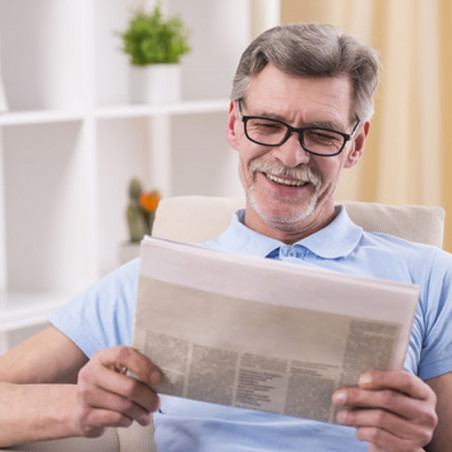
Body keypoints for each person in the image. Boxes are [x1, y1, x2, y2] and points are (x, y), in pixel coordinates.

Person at [0, 22, 450, 452]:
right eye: (268, 125)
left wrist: (413, 441)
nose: (291, 155)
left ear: (355, 144)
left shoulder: (429, 275)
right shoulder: (151, 280)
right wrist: (75, 406)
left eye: (321, 134)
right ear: (234, 125)